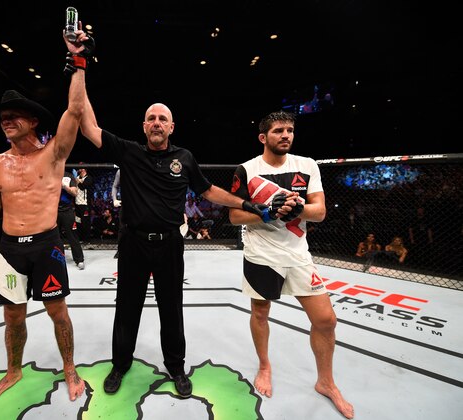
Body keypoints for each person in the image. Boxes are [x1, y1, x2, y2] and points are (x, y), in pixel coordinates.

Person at [77, 93, 273, 398]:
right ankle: (120, 365)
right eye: (151, 119)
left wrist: (246, 203)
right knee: (127, 308)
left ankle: (177, 367)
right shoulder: (128, 152)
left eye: (162, 119)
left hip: (169, 244)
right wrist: (80, 67)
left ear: (172, 127)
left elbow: (208, 191)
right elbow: (88, 126)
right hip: (133, 244)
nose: (157, 123)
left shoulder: (185, 158)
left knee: (172, 309)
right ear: (144, 126)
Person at [0, 26, 93, 406]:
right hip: (10, 249)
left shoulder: (52, 155)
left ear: (33, 121)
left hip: (47, 245)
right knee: (13, 318)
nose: (5, 120)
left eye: (14, 115)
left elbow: (76, 111)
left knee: (58, 313)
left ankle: (69, 367)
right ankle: (13, 370)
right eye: (2, 117)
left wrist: (78, 62)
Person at [228, 110, 354, 419]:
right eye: (278, 131)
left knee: (325, 320)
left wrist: (296, 208)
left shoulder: (307, 166)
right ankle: (264, 366)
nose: (286, 135)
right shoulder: (245, 170)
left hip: (298, 255)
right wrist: (267, 212)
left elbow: (320, 211)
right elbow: (233, 216)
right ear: (263, 137)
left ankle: (326, 382)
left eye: (290, 131)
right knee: (260, 312)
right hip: (261, 254)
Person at [58, 169, 85, 269]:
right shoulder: (50, 175)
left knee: (72, 236)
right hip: (52, 211)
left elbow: (74, 192)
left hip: (67, 210)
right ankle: (56, 259)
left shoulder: (68, 176)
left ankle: (79, 259)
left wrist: (64, 186)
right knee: (53, 236)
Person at [74, 164, 94, 242]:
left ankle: (86, 239)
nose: (79, 168)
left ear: (84, 169)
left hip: (85, 204)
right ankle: (80, 238)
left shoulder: (89, 178)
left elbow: (83, 187)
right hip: (77, 203)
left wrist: (78, 181)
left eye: (81, 167)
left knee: (85, 222)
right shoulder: (77, 178)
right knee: (78, 221)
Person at [111, 168, 122, 258]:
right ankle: (121, 250)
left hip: (141, 203)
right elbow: (115, 186)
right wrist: (115, 199)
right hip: (126, 203)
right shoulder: (121, 171)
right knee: (122, 228)